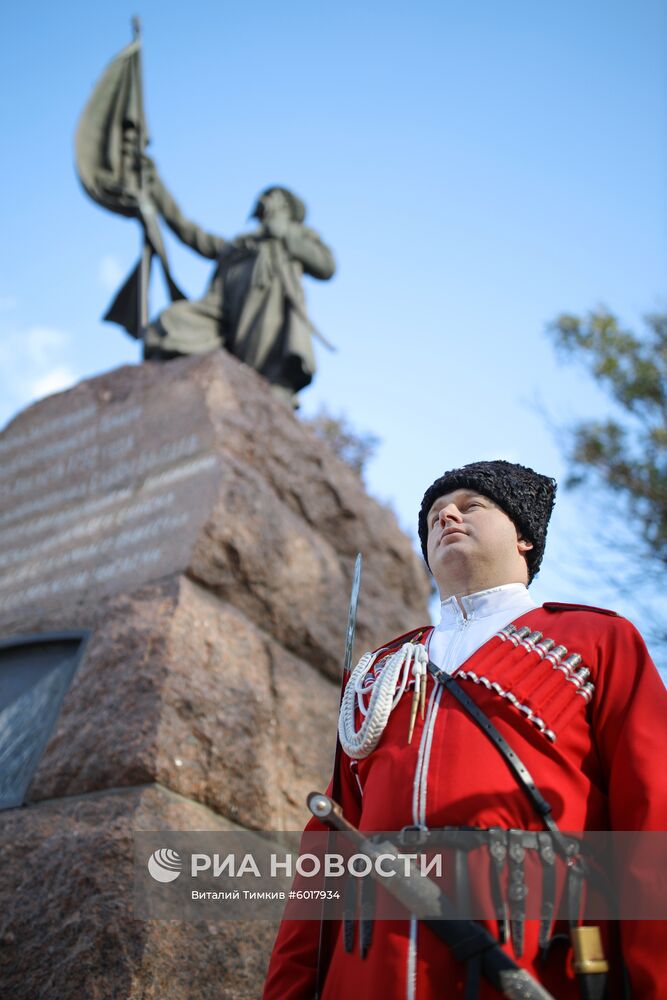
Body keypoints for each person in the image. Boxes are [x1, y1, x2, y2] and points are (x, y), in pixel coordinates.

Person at [263, 459, 667, 999]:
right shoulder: (380, 671)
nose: (446, 517)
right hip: (368, 963)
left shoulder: (596, 640)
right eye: (435, 516)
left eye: (470, 506)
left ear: (524, 537)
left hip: (534, 949)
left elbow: (652, 817)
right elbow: (327, 847)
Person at [142, 165, 336, 406]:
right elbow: (190, 233)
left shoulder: (295, 236)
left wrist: (285, 234)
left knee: (264, 360)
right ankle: (164, 395)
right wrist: (155, 187)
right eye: (266, 197)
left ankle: (273, 391)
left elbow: (327, 266)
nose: (267, 201)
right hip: (223, 319)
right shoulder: (239, 246)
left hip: (266, 320)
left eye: (275, 198)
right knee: (169, 323)